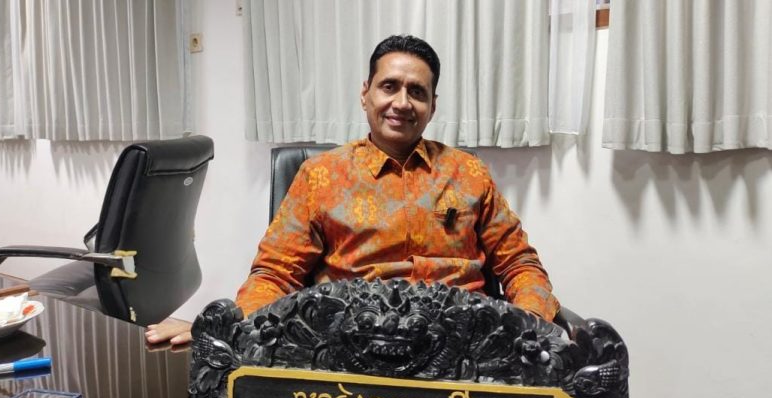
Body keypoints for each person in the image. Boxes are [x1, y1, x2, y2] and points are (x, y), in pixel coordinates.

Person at [146, 35, 558, 346]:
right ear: (366, 94)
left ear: (432, 106)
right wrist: (229, 327)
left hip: (461, 347)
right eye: (389, 86)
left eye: (417, 92)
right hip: (349, 348)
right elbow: (276, 274)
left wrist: (529, 327)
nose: (402, 102)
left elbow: (520, 265)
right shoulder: (320, 176)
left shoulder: (468, 173)